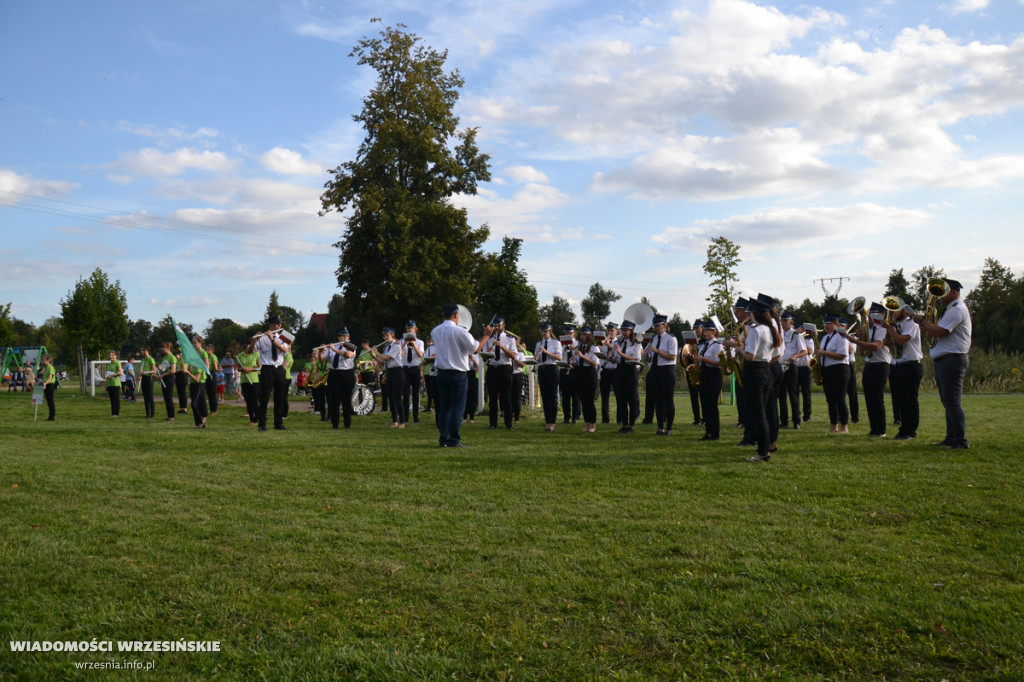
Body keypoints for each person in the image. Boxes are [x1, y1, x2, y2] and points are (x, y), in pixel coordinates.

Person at [913, 278, 972, 449]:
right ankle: (951, 437)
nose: (939, 297)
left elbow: (940, 332)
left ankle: (960, 441)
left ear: (954, 292)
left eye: (942, 292)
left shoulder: (956, 310)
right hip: (946, 360)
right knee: (948, 401)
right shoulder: (950, 310)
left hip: (952, 360)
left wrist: (922, 321)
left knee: (952, 402)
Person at [431, 303, 492, 448]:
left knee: (445, 407)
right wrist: (486, 335)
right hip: (457, 373)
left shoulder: (435, 331)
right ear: (456, 315)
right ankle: (453, 440)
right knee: (457, 407)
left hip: (441, 373)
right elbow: (475, 348)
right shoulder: (460, 331)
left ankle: (443, 438)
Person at [841, 303, 892, 437]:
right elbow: (863, 353)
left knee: (877, 397)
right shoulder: (869, 329)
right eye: (869, 314)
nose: (870, 317)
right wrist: (862, 339)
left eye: (874, 314)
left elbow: (876, 346)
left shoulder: (884, 328)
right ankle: (873, 428)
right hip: (869, 364)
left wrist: (854, 340)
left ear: (882, 315)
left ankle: (881, 429)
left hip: (881, 364)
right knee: (869, 397)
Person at [738, 301, 780, 461]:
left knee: (758, 414)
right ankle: (765, 448)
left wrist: (739, 349)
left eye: (750, 313)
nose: (748, 316)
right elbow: (777, 355)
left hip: (754, 372)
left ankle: (763, 452)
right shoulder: (771, 329)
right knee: (762, 412)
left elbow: (750, 356)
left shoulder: (756, 331)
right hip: (766, 370)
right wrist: (765, 363)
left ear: (755, 314)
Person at [883, 305, 923, 441]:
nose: (892, 313)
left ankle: (910, 431)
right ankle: (903, 429)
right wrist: (887, 338)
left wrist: (889, 328)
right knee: (900, 400)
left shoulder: (911, 324)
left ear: (904, 311)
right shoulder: (896, 325)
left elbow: (901, 340)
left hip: (910, 365)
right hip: (897, 364)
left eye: (895, 310)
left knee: (910, 400)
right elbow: (892, 342)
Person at [814, 315, 851, 434]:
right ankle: (833, 425)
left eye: (828, 324)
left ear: (836, 323)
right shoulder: (825, 337)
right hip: (827, 369)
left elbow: (842, 355)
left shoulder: (841, 336)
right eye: (825, 324)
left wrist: (824, 352)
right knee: (830, 400)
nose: (825, 326)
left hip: (839, 369)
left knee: (840, 399)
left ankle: (844, 427)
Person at [254, 315, 291, 431]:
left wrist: (273, 339)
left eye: (280, 324)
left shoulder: (283, 337)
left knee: (279, 397)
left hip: (279, 368)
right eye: (276, 324)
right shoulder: (262, 338)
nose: (279, 326)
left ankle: (278, 423)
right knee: (264, 397)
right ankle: (262, 424)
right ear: (270, 324)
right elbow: (253, 350)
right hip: (267, 368)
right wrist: (256, 339)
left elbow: (285, 350)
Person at [483, 317, 518, 430]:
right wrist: (487, 352)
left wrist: (502, 347)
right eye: (495, 326)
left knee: (506, 397)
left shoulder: (510, 339)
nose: (497, 328)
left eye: (499, 325)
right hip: (492, 368)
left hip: (505, 368)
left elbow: (513, 356)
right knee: (492, 398)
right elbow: (483, 358)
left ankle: (508, 424)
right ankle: (493, 423)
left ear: (504, 325)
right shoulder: (489, 338)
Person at [646, 314, 678, 436]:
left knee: (668, 400)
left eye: (657, 326)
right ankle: (660, 427)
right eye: (654, 326)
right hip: (655, 370)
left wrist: (657, 351)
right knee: (657, 400)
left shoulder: (671, 339)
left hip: (667, 370)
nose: (655, 328)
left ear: (664, 325)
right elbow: (652, 357)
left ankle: (669, 427)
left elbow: (672, 356)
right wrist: (647, 355)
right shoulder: (654, 338)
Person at [610, 320, 643, 433]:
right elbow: (616, 359)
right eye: (622, 330)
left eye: (626, 330)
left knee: (632, 398)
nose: (623, 332)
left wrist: (620, 353)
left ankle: (631, 425)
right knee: (621, 398)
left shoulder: (637, 344)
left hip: (631, 370)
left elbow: (636, 359)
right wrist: (611, 356)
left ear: (631, 331)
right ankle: (624, 424)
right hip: (620, 370)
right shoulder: (619, 342)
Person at [694, 320, 723, 441]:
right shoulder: (703, 344)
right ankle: (708, 431)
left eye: (707, 330)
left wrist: (703, 359)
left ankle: (714, 432)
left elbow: (720, 363)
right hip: (704, 375)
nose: (704, 333)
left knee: (712, 406)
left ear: (714, 331)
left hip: (714, 375)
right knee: (705, 406)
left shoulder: (717, 345)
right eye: (704, 330)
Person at [373, 328, 407, 428]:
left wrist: (376, 352)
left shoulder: (396, 346)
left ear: (392, 335)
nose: (385, 337)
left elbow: (385, 357)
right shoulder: (387, 348)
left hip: (398, 372)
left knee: (397, 398)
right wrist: (373, 355)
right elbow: (383, 363)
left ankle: (402, 422)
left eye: (387, 335)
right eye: (384, 336)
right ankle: (394, 421)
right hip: (390, 372)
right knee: (391, 398)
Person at [324, 328, 357, 429]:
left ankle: (347, 424)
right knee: (334, 401)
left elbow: (347, 355)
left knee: (346, 401)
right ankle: (335, 424)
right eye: (343, 336)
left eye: (347, 336)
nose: (346, 338)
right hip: (334, 374)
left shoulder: (350, 346)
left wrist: (335, 350)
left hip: (347, 374)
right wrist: (322, 351)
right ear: (338, 337)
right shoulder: (332, 347)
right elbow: (323, 359)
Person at [779, 312, 806, 430]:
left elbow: (804, 351)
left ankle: (796, 421)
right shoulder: (779, 334)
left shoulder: (796, 334)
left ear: (791, 322)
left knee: (793, 395)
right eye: (782, 321)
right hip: (780, 365)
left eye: (785, 321)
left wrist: (795, 356)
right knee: (781, 396)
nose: (783, 323)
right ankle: (784, 421)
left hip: (791, 366)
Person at [535, 323, 562, 431]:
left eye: (546, 331)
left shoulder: (556, 343)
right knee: (545, 397)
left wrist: (546, 351)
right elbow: (536, 359)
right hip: (542, 369)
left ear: (550, 331)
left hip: (552, 368)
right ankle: (547, 422)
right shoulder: (539, 343)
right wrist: (537, 353)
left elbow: (559, 357)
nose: (544, 333)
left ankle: (552, 422)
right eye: (542, 331)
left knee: (552, 396)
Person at [573, 326, 600, 432]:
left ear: (588, 336)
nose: (582, 336)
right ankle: (587, 423)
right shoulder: (579, 346)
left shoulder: (594, 347)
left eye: (584, 335)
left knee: (589, 401)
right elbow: (577, 361)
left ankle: (593, 424)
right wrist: (573, 361)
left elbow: (595, 363)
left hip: (589, 374)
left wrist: (582, 356)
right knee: (583, 400)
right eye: (581, 334)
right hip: (580, 373)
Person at [401, 321, 425, 423]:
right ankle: (405, 417)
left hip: (415, 368)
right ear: (406, 330)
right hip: (405, 368)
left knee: (416, 394)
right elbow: (398, 353)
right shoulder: (401, 341)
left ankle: (416, 417)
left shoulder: (420, 342)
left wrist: (414, 344)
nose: (410, 330)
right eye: (408, 328)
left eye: (412, 328)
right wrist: (405, 343)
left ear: (415, 329)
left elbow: (420, 355)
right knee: (405, 394)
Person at [681, 321, 703, 426]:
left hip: (702, 370)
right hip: (692, 369)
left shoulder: (704, 341)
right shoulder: (690, 342)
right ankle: (697, 419)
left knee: (703, 396)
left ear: (702, 329)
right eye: (694, 327)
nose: (695, 329)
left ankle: (705, 418)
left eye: (697, 327)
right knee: (693, 396)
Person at [186, 336, 209, 429]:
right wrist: (190, 368)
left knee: (195, 402)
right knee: (198, 401)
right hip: (194, 379)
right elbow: (191, 364)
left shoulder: (203, 353)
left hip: (200, 379)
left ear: (200, 343)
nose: (193, 344)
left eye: (195, 342)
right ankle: (200, 421)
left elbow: (206, 366)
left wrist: (199, 369)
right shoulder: (194, 353)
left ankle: (201, 421)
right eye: (193, 342)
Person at [559, 324, 581, 424]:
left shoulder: (578, 343)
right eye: (566, 333)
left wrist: (574, 348)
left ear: (574, 333)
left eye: (570, 333)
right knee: (565, 396)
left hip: (574, 370)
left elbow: (580, 356)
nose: (568, 334)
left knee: (575, 395)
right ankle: (566, 417)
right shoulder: (561, 344)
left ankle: (575, 417)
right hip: (564, 370)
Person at [599, 322, 619, 424]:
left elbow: (618, 353)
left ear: (616, 331)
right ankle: (605, 419)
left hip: (615, 370)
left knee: (619, 396)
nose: (610, 332)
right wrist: (599, 348)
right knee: (604, 396)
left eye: (612, 330)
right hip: (605, 370)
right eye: (608, 330)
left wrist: (609, 345)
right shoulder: (604, 342)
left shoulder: (619, 342)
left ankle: (620, 419)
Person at [158, 342, 178, 421]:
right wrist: (160, 368)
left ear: (169, 348)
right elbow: (163, 368)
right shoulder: (164, 357)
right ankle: (169, 415)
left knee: (169, 397)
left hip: (169, 378)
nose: (163, 349)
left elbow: (173, 370)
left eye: (164, 347)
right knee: (166, 397)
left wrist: (163, 375)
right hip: (164, 378)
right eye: (162, 347)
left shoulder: (172, 357)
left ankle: (172, 416)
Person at [138, 346, 158, 418]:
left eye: (142, 350)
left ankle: (152, 414)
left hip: (149, 378)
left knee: (150, 397)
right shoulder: (143, 360)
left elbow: (154, 371)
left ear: (146, 351)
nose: (141, 352)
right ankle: (147, 413)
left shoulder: (151, 359)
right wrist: (140, 374)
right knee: (145, 397)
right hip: (143, 378)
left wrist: (145, 372)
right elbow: (141, 369)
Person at [104, 350, 123, 417]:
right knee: (112, 399)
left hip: (115, 383)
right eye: (109, 355)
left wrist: (112, 375)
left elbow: (120, 373)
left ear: (115, 356)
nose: (111, 356)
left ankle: (116, 413)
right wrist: (106, 385)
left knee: (116, 399)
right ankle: (113, 413)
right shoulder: (109, 364)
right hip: (110, 384)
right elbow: (107, 375)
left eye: (112, 355)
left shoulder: (117, 363)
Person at [40, 354, 57, 421]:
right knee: (48, 401)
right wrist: (40, 383)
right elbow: (45, 378)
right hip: (46, 385)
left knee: (50, 401)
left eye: (43, 359)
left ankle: (52, 416)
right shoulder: (46, 368)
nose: (42, 361)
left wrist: (45, 384)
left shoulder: (50, 368)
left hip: (50, 385)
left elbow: (50, 378)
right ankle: (50, 416)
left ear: (47, 360)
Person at [204, 343, 220, 417]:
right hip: (206, 374)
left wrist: (219, 369)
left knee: (213, 393)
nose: (207, 350)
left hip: (212, 374)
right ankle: (211, 410)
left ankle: (214, 410)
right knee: (208, 393)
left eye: (208, 349)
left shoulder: (213, 357)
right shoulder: (205, 356)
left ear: (212, 350)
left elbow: (215, 368)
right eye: (206, 349)